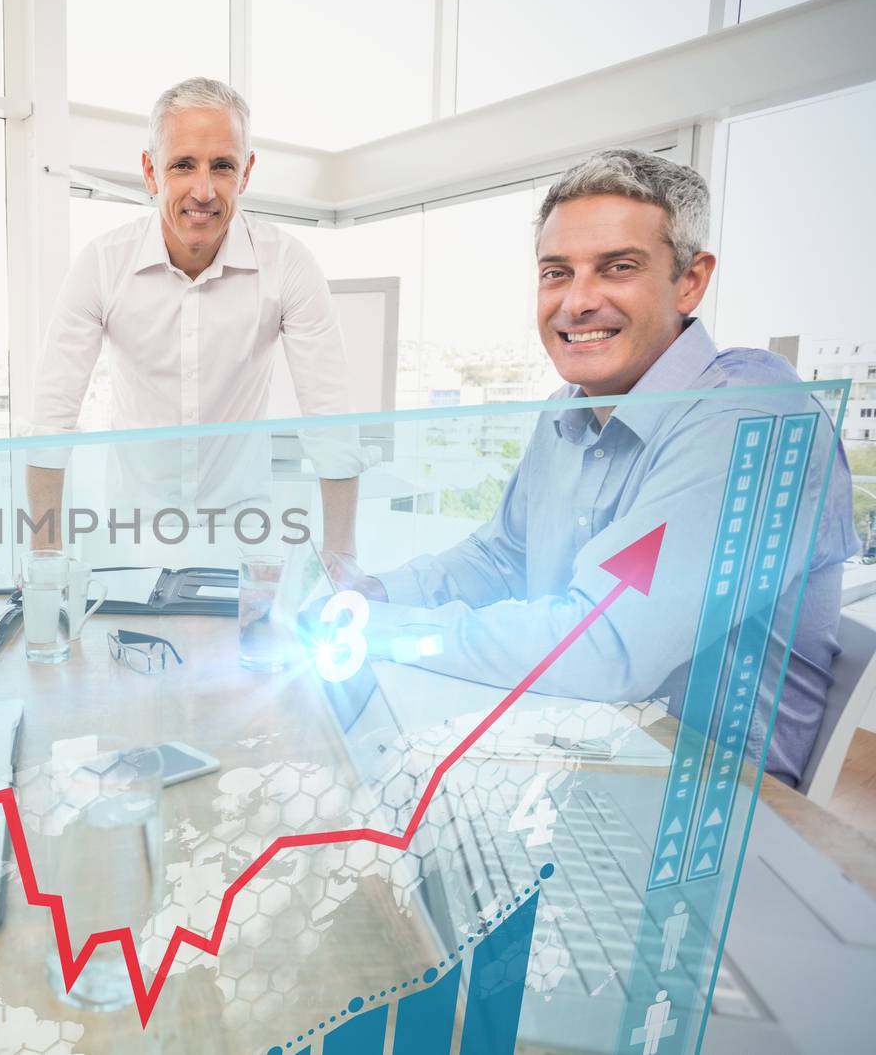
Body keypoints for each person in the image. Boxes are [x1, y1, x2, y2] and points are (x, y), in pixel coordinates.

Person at [354, 148, 856, 787]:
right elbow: (500, 558)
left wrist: (383, 630)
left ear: (690, 281)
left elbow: (606, 647)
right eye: (556, 273)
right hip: (580, 748)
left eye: (617, 268)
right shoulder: (568, 409)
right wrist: (376, 594)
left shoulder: (749, 416)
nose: (577, 302)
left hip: (706, 808)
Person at [26, 77, 370, 563]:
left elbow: (331, 419)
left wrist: (342, 562)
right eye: (183, 165)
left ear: (246, 173)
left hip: (245, 532)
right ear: (150, 172)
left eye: (223, 166)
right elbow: (51, 422)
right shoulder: (102, 264)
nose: (203, 190)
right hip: (132, 533)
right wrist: (45, 565)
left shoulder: (288, 263)